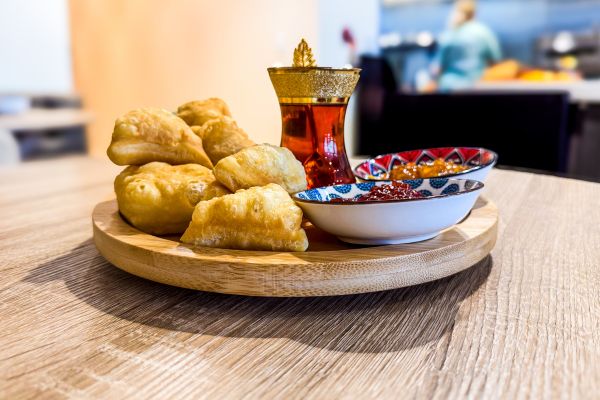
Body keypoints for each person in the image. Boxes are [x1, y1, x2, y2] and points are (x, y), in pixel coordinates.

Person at [433, 0, 501, 91]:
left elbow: (438, 68)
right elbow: (495, 60)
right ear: (474, 12)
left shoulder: (449, 33)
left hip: (448, 88)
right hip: (474, 88)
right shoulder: (483, 32)